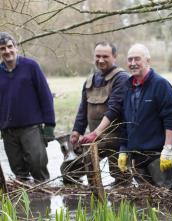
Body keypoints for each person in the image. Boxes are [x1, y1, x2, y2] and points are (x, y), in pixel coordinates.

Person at [61, 41, 129, 185]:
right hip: (95, 137)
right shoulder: (90, 80)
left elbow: (114, 109)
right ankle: (90, 197)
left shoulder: (121, 78)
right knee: (68, 172)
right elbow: (83, 109)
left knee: (121, 177)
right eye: (97, 56)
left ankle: (120, 201)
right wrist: (76, 132)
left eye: (105, 56)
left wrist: (95, 133)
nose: (101, 60)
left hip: (116, 137)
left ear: (114, 57)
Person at [120, 43, 172, 187]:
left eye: (137, 59)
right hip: (137, 158)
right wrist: (123, 149)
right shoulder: (128, 87)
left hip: (158, 156)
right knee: (145, 202)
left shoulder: (160, 85)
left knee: (167, 199)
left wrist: (168, 148)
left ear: (148, 61)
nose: (133, 63)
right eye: (130, 60)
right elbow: (124, 121)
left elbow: (171, 118)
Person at [0, 32, 55, 182]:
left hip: (31, 128)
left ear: (16, 47)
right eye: (2, 48)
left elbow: (45, 96)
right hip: (8, 131)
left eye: (10, 46)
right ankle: (25, 203)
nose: (7, 51)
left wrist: (49, 125)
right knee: (19, 172)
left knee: (38, 166)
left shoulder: (31, 66)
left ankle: (44, 202)